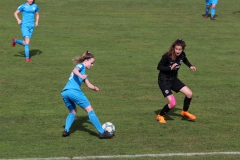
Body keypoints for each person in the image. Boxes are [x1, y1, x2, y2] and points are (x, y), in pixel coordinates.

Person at [61, 51, 113, 139]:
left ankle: (66, 130)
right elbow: (75, 70)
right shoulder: (81, 66)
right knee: (90, 110)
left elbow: (88, 84)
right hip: (74, 92)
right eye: (91, 63)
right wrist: (81, 76)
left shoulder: (84, 72)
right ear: (86, 61)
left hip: (65, 92)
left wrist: (94, 87)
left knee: (73, 112)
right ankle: (102, 132)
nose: (92, 65)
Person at [156, 39, 197, 124]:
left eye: (180, 49)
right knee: (172, 103)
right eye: (176, 49)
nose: (178, 51)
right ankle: (160, 115)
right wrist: (169, 68)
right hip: (164, 81)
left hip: (173, 79)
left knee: (189, 94)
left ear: (182, 49)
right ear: (173, 48)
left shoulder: (182, 55)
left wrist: (190, 66)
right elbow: (159, 67)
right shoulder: (167, 56)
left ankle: (184, 112)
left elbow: (184, 59)